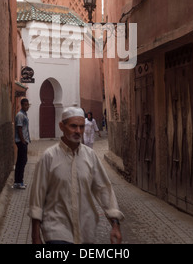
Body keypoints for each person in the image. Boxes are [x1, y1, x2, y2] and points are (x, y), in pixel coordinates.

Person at [29, 106, 124, 244]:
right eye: (73, 126)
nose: (78, 131)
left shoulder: (90, 156)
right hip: (56, 230)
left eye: (81, 127)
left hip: (86, 230)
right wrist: (35, 236)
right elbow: (38, 196)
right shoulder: (48, 157)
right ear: (62, 126)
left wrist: (115, 224)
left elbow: (104, 189)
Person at [13, 98, 31, 189]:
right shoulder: (20, 115)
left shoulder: (24, 114)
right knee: (22, 161)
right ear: (22, 105)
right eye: (25, 105)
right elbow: (19, 128)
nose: (27, 107)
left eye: (28, 105)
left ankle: (18, 181)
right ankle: (19, 182)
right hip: (21, 142)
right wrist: (23, 141)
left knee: (21, 161)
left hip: (23, 141)